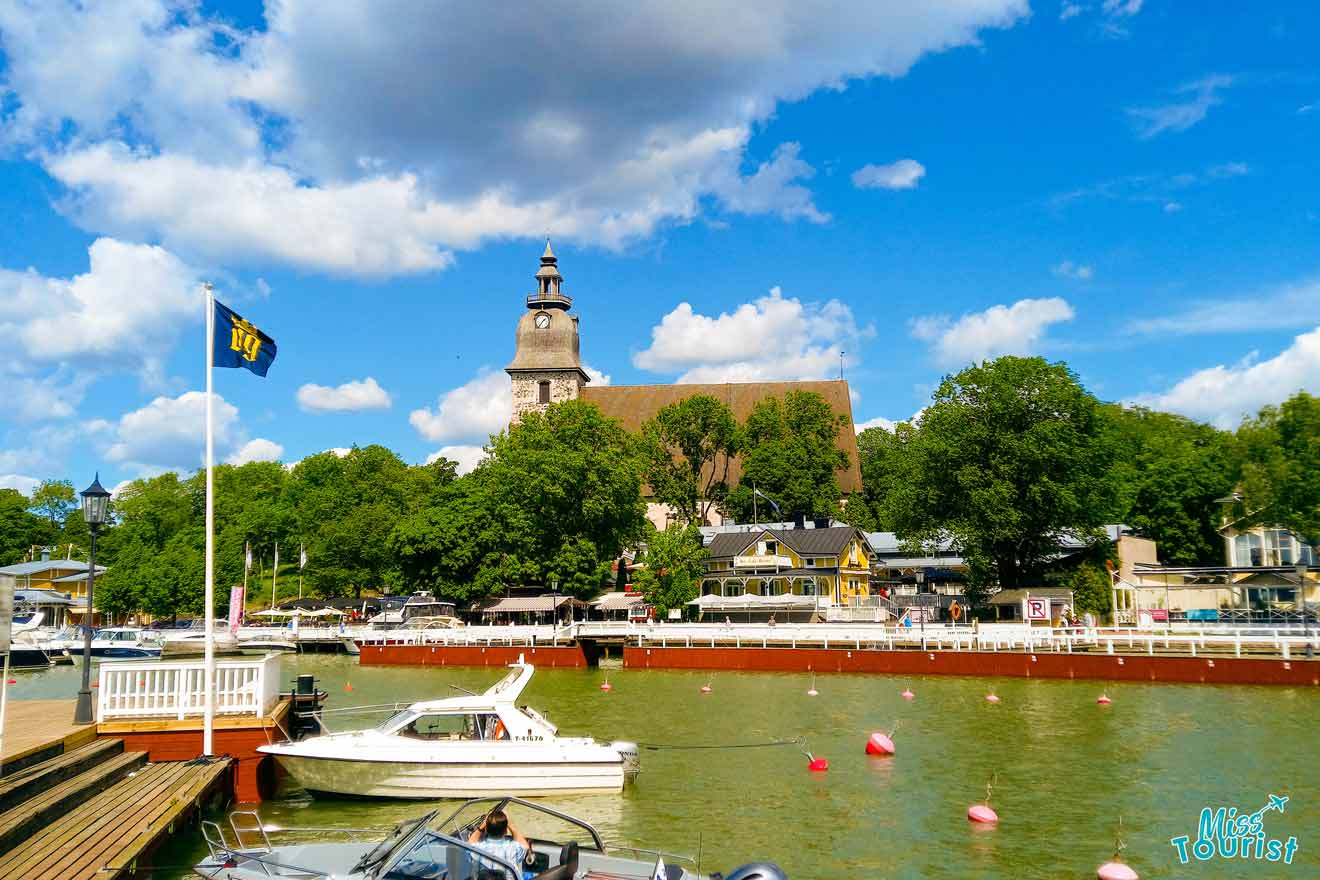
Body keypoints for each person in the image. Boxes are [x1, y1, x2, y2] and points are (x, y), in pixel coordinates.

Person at [468, 809, 530, 875]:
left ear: (486, 829)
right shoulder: (513, 849)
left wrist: (482, 826)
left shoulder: (478, 849)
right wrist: (511, 825)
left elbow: (470, 843)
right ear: (506, 831)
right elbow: (525, 846)